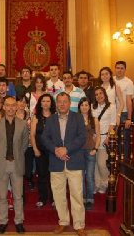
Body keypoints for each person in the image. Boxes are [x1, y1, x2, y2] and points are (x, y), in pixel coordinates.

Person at [41, 92, 87, 236]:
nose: (62, 104)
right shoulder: (50, 120)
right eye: (59, 101)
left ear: (69, 103)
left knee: (76, 195)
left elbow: (82, 137)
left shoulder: (78, 117)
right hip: (56, 162)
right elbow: (44, 138)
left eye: (64, 101)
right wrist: (56, 150)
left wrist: (67, 149)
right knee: (58, 195)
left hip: (74, 161)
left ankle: (79, 225)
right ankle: (63, 222)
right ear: (57, 103)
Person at [0, 96, 29, 234]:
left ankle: (18, 221)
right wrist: (0, 156)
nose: (11, 108)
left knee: (18, 196)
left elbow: (24, 144)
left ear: (16, 107)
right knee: (2, 196)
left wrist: (16, 155)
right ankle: (2, 222)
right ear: (3, 107)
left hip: (17, 163)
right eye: (8, 105)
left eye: (13, 105)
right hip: (1, 163)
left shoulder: (23, 124)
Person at [30, 94, 57, 208]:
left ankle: (54, 199)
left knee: (54, 176)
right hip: (40, 150)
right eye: (43, 101)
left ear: (51, 103)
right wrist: (35, 149)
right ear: (40, 103)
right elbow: (32, 135)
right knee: (41, 175)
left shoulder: (56, 116)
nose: (46, 103)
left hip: (53, 151)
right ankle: (42, 198)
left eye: (48, 101)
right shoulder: (36, 117)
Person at [91, 87, 115, 194]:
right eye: (96, 94)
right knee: (95, 163)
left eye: (101, 93)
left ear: (104, 94)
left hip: (104, 138)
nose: (99, 96)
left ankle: (105, 183)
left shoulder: (112, 107)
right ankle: (97, 184)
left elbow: (112, 124)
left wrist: (108, 137)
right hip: (94, 138)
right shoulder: (92, 107)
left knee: (101, 163)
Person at [78, 97, 100, 210]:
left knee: (90, 176)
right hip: (79, 151)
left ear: (89, 106)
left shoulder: (94, 119)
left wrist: (95, 149)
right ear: (79, 107)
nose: (84, 107)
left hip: (90, 150)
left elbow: (98, 136)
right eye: (82, 105)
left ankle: (90, 198)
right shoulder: (75, 119)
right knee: (80, 176)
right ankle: (82, 198)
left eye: (86, 105)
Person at [113, 61, 134, 159]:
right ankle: (112, 161)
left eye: (122, 68)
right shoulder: (111, 80)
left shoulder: (128, 82)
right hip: (111, 113)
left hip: (124, 113)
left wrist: (129, 118)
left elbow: (129, 101)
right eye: (117, 68)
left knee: (124, 139)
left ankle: (124, 162)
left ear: (125, 70)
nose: (119, 70)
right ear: (115, 69)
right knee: (112, 138)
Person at [16, 96, 35, 190]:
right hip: (15, 146)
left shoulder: (30, 115)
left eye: (24, 102)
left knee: (28, 167)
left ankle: (29, 178)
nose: (22, 104)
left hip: (28, 144)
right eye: (20, 101)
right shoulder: (11, 114)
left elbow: (33, 130)